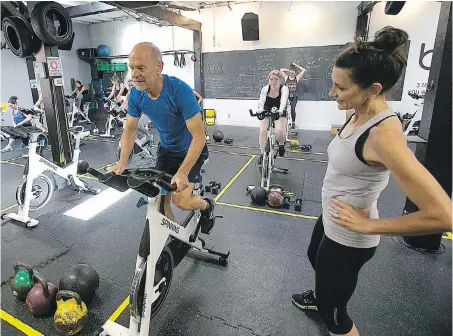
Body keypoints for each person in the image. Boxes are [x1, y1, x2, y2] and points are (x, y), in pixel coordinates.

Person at [291, 26, 452, 336]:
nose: (331, 93)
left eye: (340, 88)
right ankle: (323, 295)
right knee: (315, 256)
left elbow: (443, 214)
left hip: (350, 238)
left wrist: (368, 226)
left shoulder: (385, 135)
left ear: (374, 89)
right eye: (333, 84)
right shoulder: (358, 108)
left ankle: (328, 304)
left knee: (335, 315)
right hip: (333, 218)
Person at [108, 42, 216, 232]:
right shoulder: (136, 94)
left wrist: (182, 172)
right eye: (132, 68)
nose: (134, 74)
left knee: (181, 200)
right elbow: (130, 130)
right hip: (167, 151)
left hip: (192, 150)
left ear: (159, 67)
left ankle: (207, 206)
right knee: (158, 201)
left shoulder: (178, 90)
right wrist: (121, 163)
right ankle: (167, 243)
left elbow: (199, 137)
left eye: (141, 68)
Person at [256, 69, 289, 165]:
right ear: (268, 80)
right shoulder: (265, 89)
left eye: (276, 79)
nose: (273, 81)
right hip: (267, 110)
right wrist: (260, 110)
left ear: (280, 80)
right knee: (263, 131)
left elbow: (283, 101)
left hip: (279, 111)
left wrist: (280, 111)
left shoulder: (284, 89)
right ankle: (262, 155)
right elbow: (261, 101)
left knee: (279, 131)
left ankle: (281, 145)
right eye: (271, 79)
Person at [280, 62, 306, 128]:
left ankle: (293, 122)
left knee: (292, 108)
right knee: (283, 108)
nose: (292, 74)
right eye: (291, 73)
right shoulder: (286, 77)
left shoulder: (296, 78)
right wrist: (288, 70)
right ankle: (284, 122)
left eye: (293, 73)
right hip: (286, 95)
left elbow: (303, 70)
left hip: (294, 96)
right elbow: (281, 70)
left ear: (295, 73)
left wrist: (296, 65)